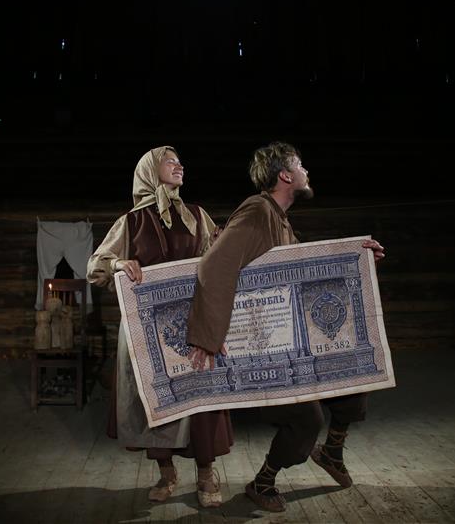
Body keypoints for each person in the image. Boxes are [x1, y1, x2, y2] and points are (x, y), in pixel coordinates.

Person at [185, 141, 386, 512]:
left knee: (354, 379)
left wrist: (359, 260)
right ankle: (262, 482)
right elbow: (213, 265)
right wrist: (208, 336)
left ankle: (332, 451)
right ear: (285, 175)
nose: (306, 171)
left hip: (291, 342)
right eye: (300, 165)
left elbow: (303, 274)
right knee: (305, 419)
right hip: (262, 348)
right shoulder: (258, 209)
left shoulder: (280, 220)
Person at [87, 146, 234, 508]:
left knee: (201, 399)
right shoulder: (131, 222)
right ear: (150, 171)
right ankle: (166, 472)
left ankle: (206, 472)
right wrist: (120, 263)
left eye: (180, 161)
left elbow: (219, 255)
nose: (179, 165)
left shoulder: (196, 215)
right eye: (170, 161)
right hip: (150, 329)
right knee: (155, 399)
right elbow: (96, 266)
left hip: (192, 324)